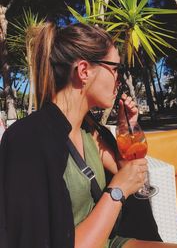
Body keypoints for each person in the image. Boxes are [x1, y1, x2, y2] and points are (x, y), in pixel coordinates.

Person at [0, 22, 161, 248]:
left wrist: (127, 128)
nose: (119, 80)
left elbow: (131, 174)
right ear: (84, 71)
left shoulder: (93, 131)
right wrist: (117, 191)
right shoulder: (27, 140)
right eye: (115, 69)